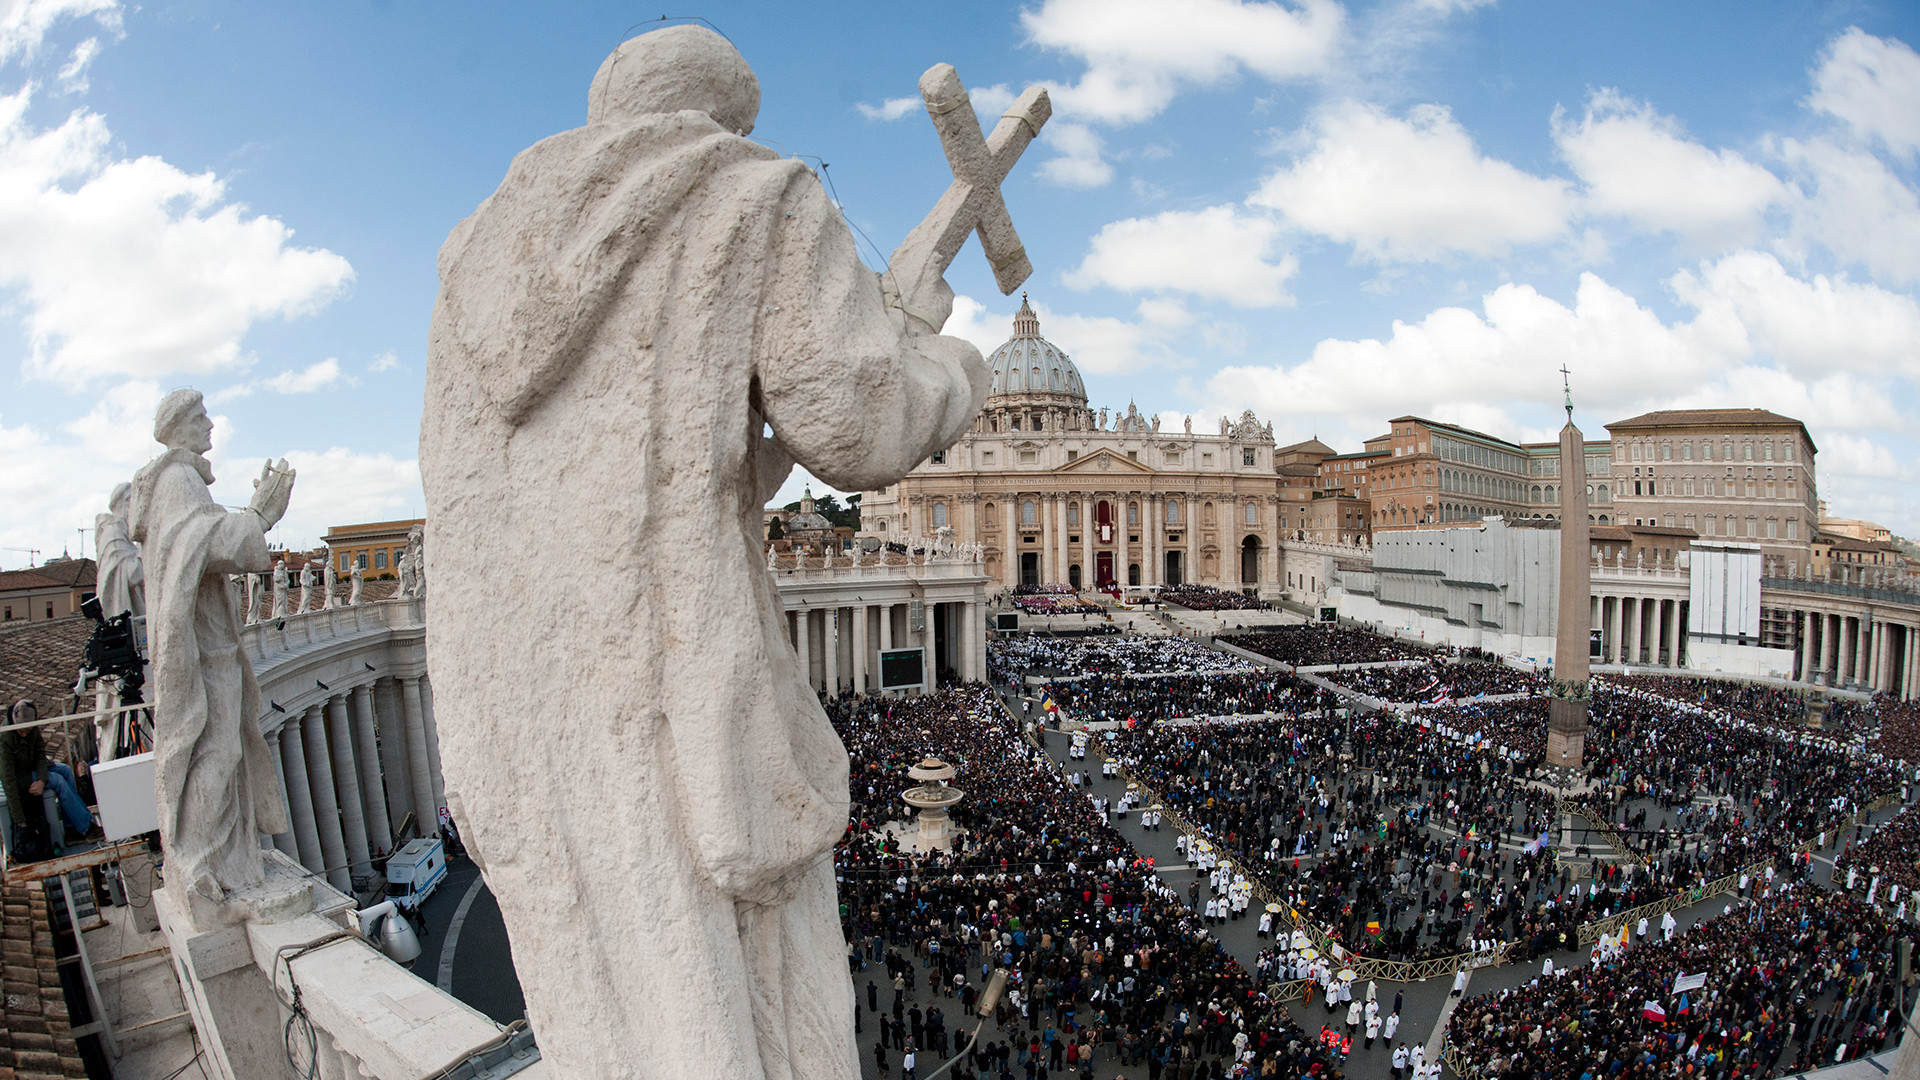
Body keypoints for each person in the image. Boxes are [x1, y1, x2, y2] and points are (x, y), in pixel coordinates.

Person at [419, 25, 992, 1080]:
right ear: (725, 115)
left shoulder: (472, 258)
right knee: (742, 1016)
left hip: (524, 711)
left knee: (609, 1000)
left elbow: (681, 466)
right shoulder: (752, 193)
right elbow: (857, 424)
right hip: (678, 690)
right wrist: (944, 361)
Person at [128, 389, 292, 903]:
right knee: (216, 752)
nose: (210, 425)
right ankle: (204, 863)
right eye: (200, 417)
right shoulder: (177, 480)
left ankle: (221, 862)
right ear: (177, 427)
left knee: (222, 751)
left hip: (206, 643)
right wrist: (259, 518)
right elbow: (201, 543)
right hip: (204, 651)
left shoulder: (178, 482)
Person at [1, 700, 95, 857]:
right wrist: (20, 820)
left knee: (65, 770)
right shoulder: (5, 740)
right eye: (21, 731)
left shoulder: (31, 728)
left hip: (34, 769)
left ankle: (71, 828)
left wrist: (42, 779)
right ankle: (86, 827)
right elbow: (8, 781)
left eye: (26, 731)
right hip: (20, 778)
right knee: (58, 781)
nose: (24, 734)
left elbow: (40, 755)